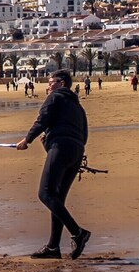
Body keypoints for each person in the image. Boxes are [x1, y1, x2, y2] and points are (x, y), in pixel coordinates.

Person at [15, 70, 92, 260]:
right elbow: (84, 135)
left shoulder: (55, 97)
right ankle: (53, 247)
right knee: (56, 200)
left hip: (62, 148)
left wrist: (28, 140)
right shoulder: (78, 107)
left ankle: (78, 232)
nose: (48, 86)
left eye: (51, 82)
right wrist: (50, 141)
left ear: (62, 83)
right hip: (76, 151)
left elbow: (42, 119)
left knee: (46, 193)